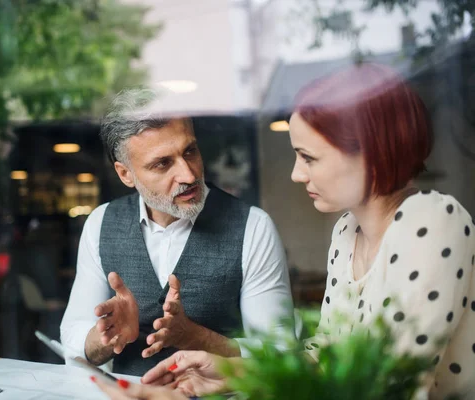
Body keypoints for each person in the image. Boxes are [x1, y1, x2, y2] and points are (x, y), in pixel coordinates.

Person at [93, 63, 475, 399]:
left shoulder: (433, 219)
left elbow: (388, 386)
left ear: (369, 152)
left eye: (309, 157)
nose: (296, 173)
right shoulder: (347, 232)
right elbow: (322, 359)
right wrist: (231, 373)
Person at [60, 88, 293, 376]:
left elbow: (281, 354)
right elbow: (73, 338)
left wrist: (198, 338)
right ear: (125, 174)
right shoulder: (100, 223)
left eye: (190, 151)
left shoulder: (253, 227)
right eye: (162, 163)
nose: (189, 175)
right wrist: (107, 337)